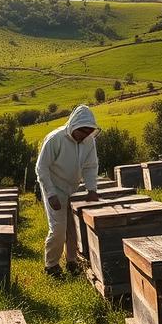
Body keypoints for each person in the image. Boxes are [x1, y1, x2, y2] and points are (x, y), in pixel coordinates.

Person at [35, 105, 100, 277]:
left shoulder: (89, 141)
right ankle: (51, 265)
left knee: (72, 227)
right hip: (54, 185)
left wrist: (91, 189)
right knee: (58, 228)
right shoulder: (55, 139)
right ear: (74, 125)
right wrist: (51, 194)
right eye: (82, 131)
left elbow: (90, 166)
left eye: (88, 132)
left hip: (73, 187)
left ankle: (72, 261)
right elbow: (41, 168)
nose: (84, 135)